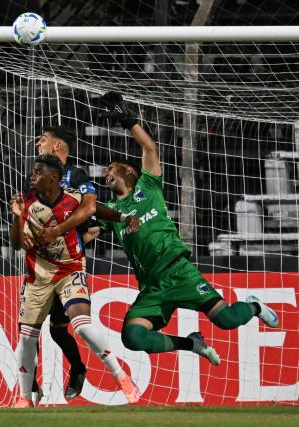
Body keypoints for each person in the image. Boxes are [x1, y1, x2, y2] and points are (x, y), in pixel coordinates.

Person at [95, 91, 279, 365]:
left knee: (226, 320)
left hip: (179, 271)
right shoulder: (110, 211)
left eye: (112, 167)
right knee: (133, 337)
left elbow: (150, 149)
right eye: (105, 169)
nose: (106, 172)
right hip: (153, 286)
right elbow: (87, 232)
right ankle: (191, 343)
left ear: (129, 171)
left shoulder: (148, 187)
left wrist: (128, 120)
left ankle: (254, 305)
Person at [9, 154, 140, 408]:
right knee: (27, 337)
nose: (32, 176)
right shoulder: (25, 202)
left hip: (71, 270)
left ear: (54, 178)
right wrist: (16, 217)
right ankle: (24, 396)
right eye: (32, 171)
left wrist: (122, 218)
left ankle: (121, 376)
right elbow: (15, 243)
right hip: (39, 275)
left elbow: (96, 209)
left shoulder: (73, 197)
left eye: (38, 172)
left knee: (81, 326)